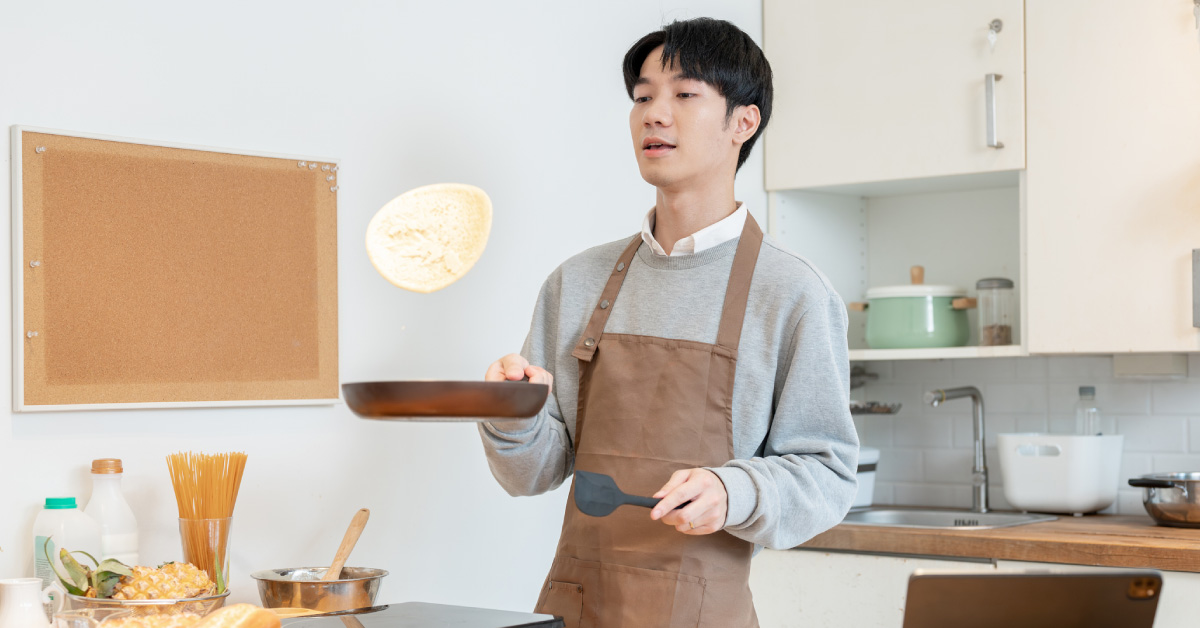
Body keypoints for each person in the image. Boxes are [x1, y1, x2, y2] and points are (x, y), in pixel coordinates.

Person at [478, 17, 858, 628]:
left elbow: (827, 473)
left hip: (706, 611)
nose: (654, 114)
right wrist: (509, 413)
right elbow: (536, 473)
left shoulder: (792, 294)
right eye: (642, 96)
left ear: (744, 122)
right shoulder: (577, 281)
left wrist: (735, 491)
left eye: (684, 95)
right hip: (578, 607)